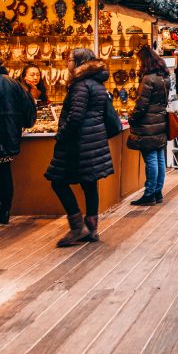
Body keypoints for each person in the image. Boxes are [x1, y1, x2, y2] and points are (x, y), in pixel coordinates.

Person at [45, 49, 113, 246]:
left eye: (70, 60)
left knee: (57, 181)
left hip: (78, 144)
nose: (68, 63)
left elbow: (76, 116)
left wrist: (61, 135)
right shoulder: (97, 84)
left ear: (79, 62)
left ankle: (77, 227)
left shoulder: (81, 85)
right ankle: (92, 228)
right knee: (89, 183)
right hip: (93, 141)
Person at [128, 47, 171, 206]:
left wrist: (132, 118)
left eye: (139, 60)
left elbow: (141, 105)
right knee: (159, 157)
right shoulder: (164, 77)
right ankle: (157, 191)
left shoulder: (148, 79)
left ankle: (150, 193)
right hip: (159, 120)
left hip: (148, 123)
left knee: (151, 158)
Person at [0, 60, 37, 224]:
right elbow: (29, 116)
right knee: (4, 172)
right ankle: (4, 212)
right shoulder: (14, 84)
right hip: (6, 139)